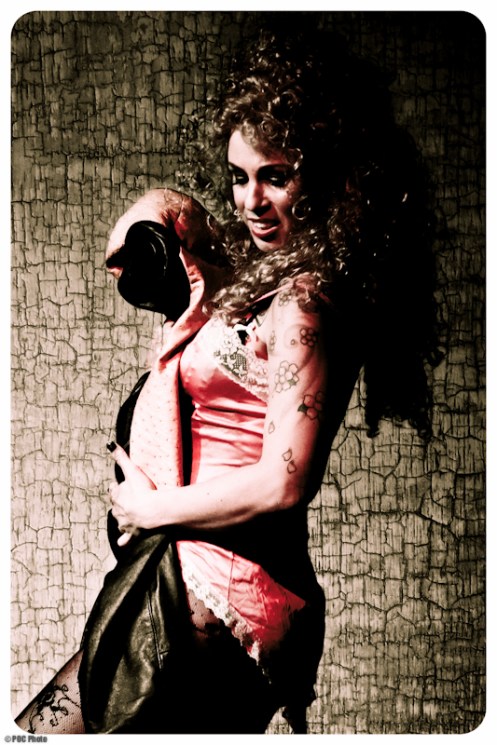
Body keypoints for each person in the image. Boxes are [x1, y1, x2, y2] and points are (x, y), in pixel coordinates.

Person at [15, 27, 439, 735]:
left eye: (277, 175)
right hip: (210, 591)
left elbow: (284, 482)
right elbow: (130, 246)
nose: (252, 200)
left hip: (219, 597)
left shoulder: (305, 301)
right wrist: (175, 224)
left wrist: (152, 509)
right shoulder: (268, 283)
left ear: (329, 176)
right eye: (240, 176)